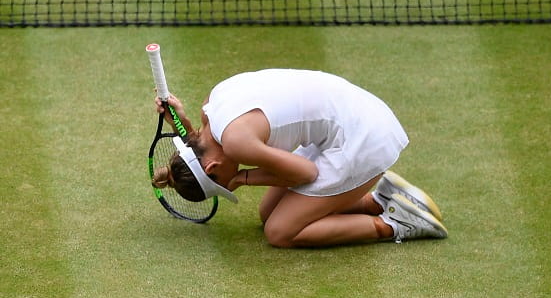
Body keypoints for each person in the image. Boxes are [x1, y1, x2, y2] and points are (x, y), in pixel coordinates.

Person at [152, 69, 447, 248]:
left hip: (365, 137)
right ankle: (380, 199)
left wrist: (242, 178)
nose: (228, 186)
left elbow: (305, 173)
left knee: (280, 232)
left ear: (213, 168)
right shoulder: (210, 107)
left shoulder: (236, 143)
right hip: (352, 114)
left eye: (221, 185)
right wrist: (186, 125)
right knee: (269, 213)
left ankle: (397, 224)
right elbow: (202, 141)